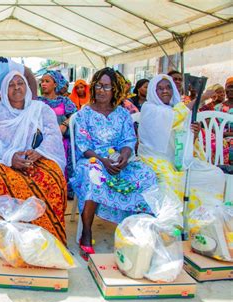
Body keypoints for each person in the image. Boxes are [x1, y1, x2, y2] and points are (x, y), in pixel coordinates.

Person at [71, 68, 157, 260]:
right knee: (93, 175)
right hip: (92, 159)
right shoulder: (84, 113)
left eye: (106, 86)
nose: (101, 90)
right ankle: (86, 232)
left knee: (147, 174)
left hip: (118, 160)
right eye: (98, 85)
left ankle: (137, 230)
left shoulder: (122, 114)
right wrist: (103, 161)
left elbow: (128, 141)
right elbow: (83, 146)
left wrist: (125, 157)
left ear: (115, 89)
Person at [0, 71, 67, 244]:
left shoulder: (40, 109)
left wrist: (40, 152)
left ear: (27, 87)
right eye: (11, 85)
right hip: (2, 160)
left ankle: (47, 239)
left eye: (21, 83)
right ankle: (6, 240)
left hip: (35, 157)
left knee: (53, 178)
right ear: (4, 90)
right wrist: (10, 157)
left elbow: (53, 135)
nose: (17, 87)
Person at [138, 74, 225, 211]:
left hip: (178, 159)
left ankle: (205, 215)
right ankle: (175, 221)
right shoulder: (149, 108)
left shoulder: (177, 108)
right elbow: (174, 118)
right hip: (155, 159)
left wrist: (194, 134)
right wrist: (201, 98)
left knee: (215, 174)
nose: (165, 91)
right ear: (153, 92)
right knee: (172, 180)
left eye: (168, 87)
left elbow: (184, 139)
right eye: (159, 88)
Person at [38, 70, 77, 198]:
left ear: (55, 84)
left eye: (47, 81)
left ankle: (65, 190)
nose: (43, 84)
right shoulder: (37, 102)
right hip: (44, 141)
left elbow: (75, 116)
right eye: (42, 81)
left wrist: (64, 124)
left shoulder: (65, 101)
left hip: (62, 141)